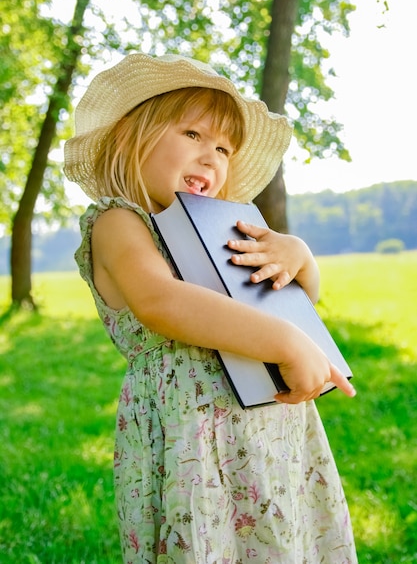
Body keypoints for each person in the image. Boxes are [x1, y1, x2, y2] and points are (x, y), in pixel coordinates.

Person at [64, 53, 357, 564]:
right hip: (193, 435)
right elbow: (162, 301)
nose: (211, 158)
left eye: (223, 148)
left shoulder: (220, 229)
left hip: (267, 424)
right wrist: (286, 343)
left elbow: (288, 297)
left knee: (281, 536)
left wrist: (299, 258)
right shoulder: (119, 222)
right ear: (134, 135)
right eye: (193, 135)